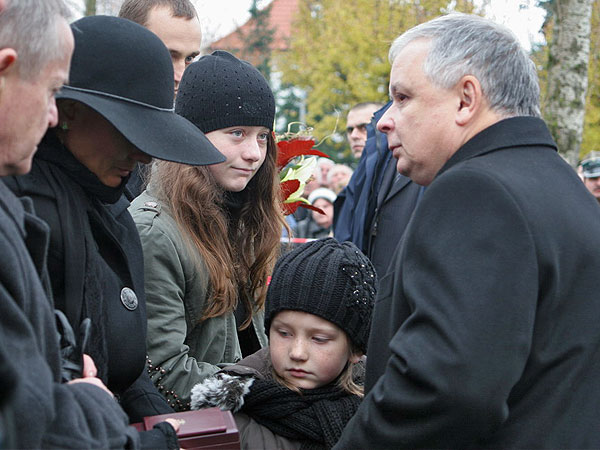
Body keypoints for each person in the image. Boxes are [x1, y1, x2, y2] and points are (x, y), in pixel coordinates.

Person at [334, 13, 600, 449]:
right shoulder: (565, 189)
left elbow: (444, 388)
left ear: (465, 99)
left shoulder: (475, 189)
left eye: (402, 98)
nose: (382, 122)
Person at [4, 14, 224, 448]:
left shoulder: (113, 207)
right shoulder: (28, 210)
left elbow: (126, 367)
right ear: (67, 113)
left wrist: (169, 430)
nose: (142, 154)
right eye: (127, 131)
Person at [130, 50, 286, 411]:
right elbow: (162, 370)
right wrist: (265, 396)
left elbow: (252, 340)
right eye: (237, 133)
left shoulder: (242, 215)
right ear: (192, 135)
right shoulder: (154, 231)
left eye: (263, 137)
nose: (253, 153)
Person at [190, 238, 376, 449]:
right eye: (284, 333)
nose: (297, 353)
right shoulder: (230, 416)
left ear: (355, 349)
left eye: (319, 339)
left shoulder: (383, 409)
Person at [119, 0, 203, 199]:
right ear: (124, 47)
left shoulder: (189, 144)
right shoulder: (82, 131)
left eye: (189, 59)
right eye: (167, 56)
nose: (181, 75)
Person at [334, 102, 423, 279]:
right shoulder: (360, 180)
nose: (354, 136)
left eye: (364, 127)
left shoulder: (410, 169)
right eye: (350, 130)